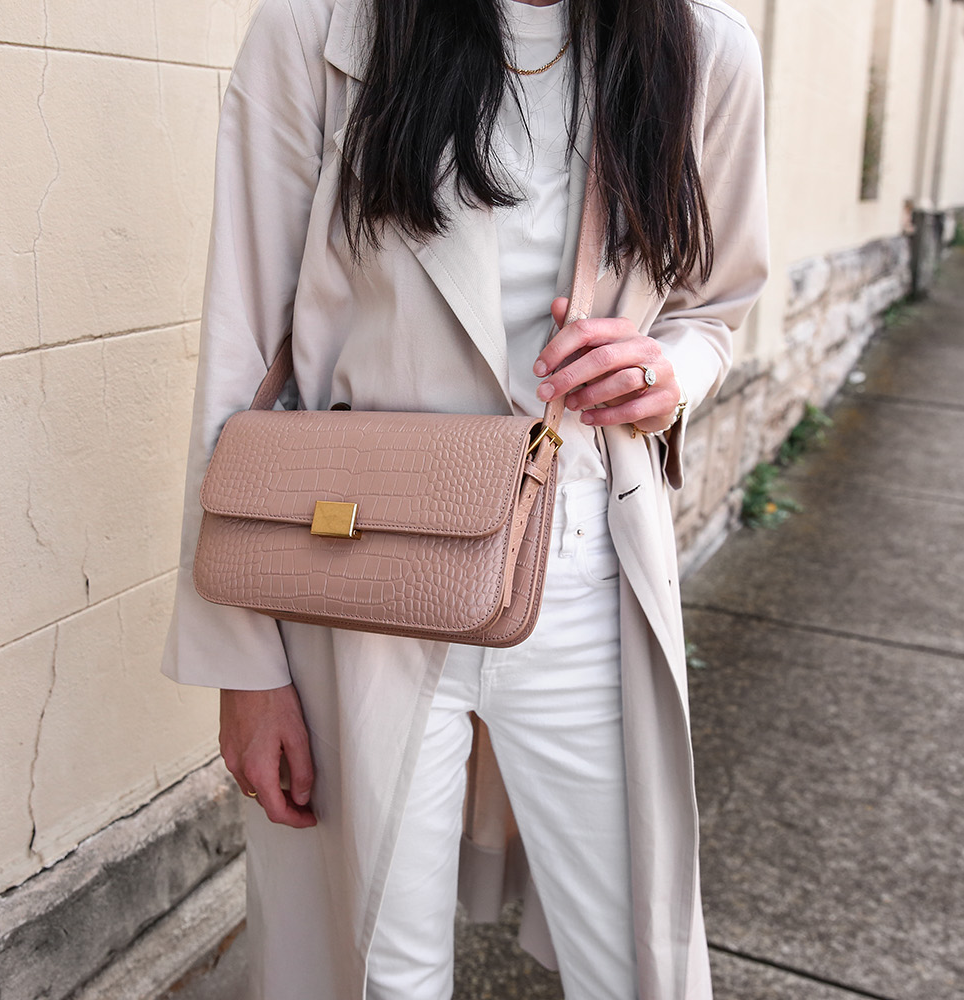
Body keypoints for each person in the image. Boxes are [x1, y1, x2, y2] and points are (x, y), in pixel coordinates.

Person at [161, 0, 768, 996]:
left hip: (584, 558)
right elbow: (242, 348)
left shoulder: (704, 48)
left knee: (636, 958)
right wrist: (245, 662)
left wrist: (668, 372)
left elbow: (718, 303)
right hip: (350, 559)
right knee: (376, 969)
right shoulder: (321, 29)